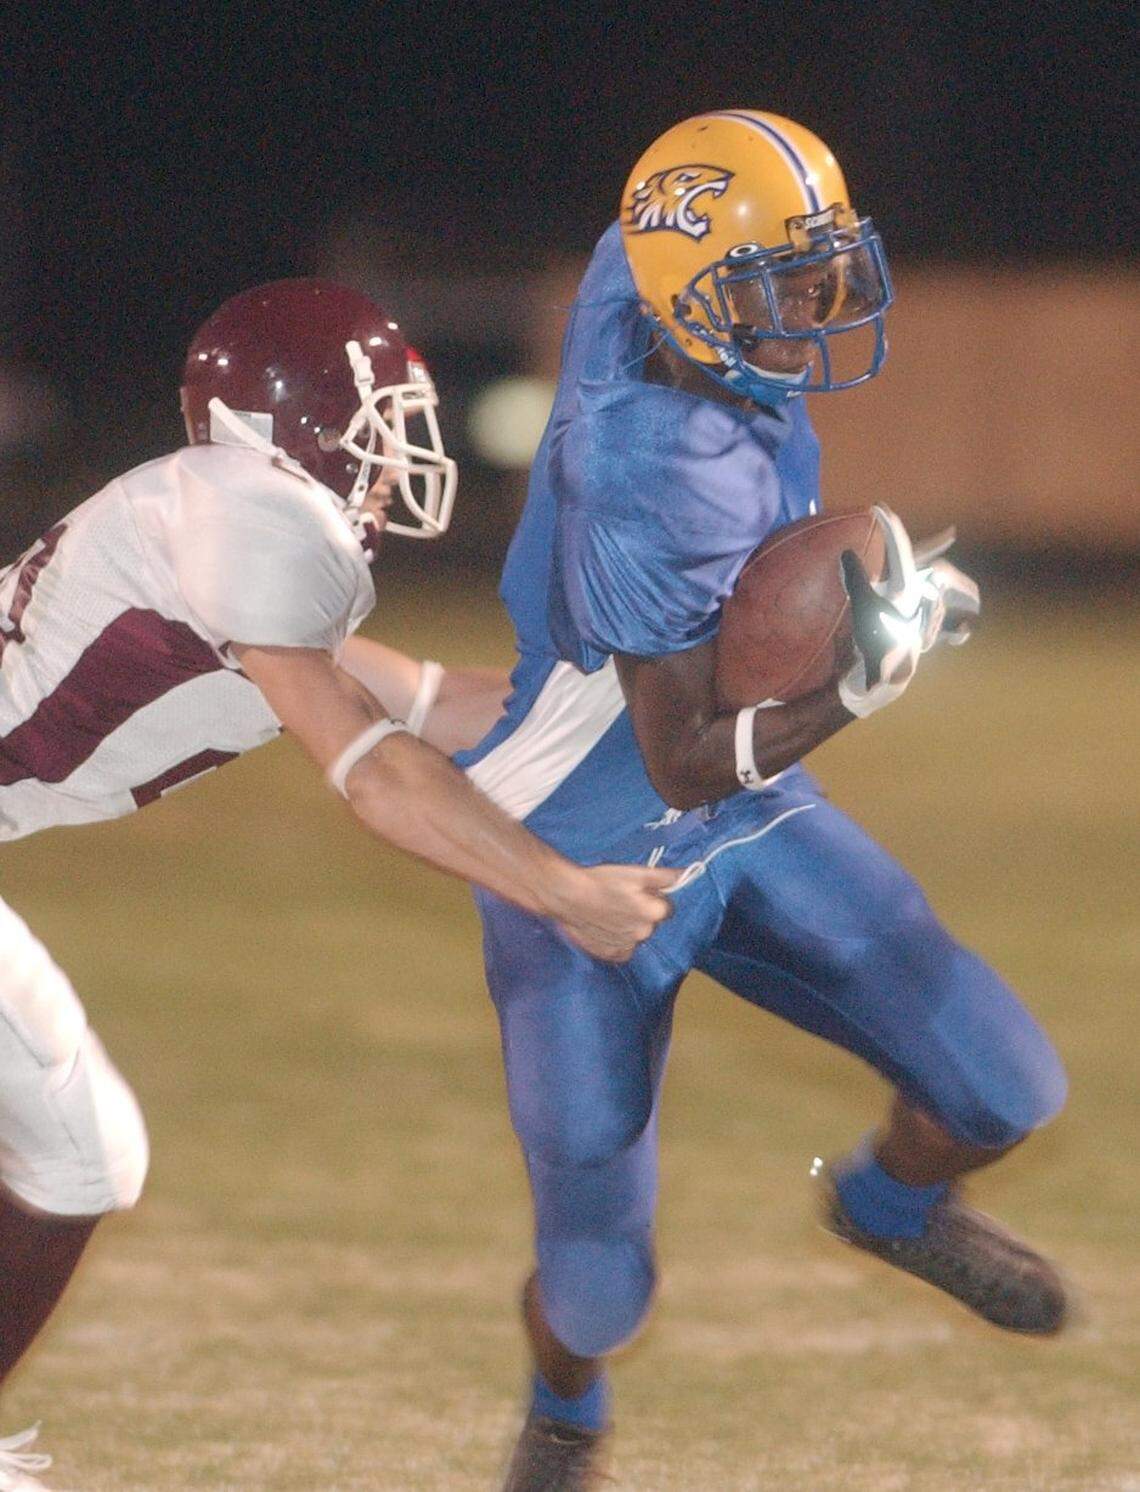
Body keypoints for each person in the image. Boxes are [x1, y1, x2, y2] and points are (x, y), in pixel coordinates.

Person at [451, 112, 1070, 1490]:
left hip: (744, 810)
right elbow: (681, 759)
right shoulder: (639, 463)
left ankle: (888, 1204)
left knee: (1004, 1083)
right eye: (781, 286)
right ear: (689, 298)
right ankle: (564, 1408)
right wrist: (861, 677)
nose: (815, 308)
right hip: (585, 857)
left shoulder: (656, 273)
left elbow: (664, 216)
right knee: (598, 1286)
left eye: (819, 269)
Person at [0, 278, 676, 1492]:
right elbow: (378, 774)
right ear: (289, 425)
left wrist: (707, 693)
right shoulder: (251, 516)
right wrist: (563, 892)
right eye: (378, 426)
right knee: (79, 1150)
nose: (393, 458)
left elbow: (447, 706)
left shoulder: (213, 529)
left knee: (83, 1153)